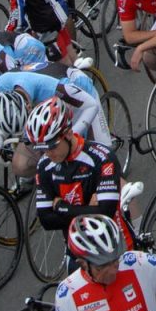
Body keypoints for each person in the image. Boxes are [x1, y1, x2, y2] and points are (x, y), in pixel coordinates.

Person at [26, 96, 124, 247]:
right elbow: (46, 220)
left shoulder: (102, 157)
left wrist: (60, 207)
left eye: (52, 146)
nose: (48, 153)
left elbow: (105, 212)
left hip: (113, 240)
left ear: (68, 133)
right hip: (76, 246)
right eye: (42, 149)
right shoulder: (44, 165)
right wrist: (90, 210)